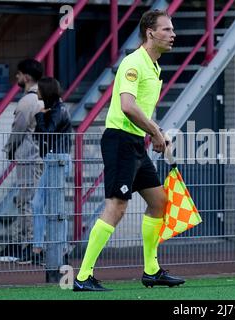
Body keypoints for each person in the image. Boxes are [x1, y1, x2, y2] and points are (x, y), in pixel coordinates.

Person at [73, 9, 182, 292]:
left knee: (159, 201)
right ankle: (83, 277)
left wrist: (156, 131)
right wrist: (156, 132)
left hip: (134, 142)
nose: (173, 34)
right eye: (167, 30)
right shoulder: (133, 63)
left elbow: (140, 110)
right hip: (120, 140)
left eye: (172, 30)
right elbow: (127, 106)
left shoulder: (155, 66)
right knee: (117, 206)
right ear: (150, 33)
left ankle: (151, 271)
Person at [2, 59, 43, 264]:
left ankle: (29, 246)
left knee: (26, 202)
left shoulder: (27, 101)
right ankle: (29, 244)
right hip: (39, 156)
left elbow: (18, 130)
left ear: (26, 76)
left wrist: (9, 149)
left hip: (28, 157)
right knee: (32, 201)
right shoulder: (45, 97)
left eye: (18, 74)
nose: (16, 78)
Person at [32, 77, 73, 265]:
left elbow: (46, 132)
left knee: (53, 206)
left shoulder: (58, 110)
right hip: (53, 159)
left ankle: (55, 247)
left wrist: (40, 116)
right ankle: (41, 246)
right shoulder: (54, 109)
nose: (36, 91)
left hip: (58, 159)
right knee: (39, 203)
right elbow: (39, 135)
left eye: (39, 89)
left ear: (45, 91)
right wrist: (41, 116)